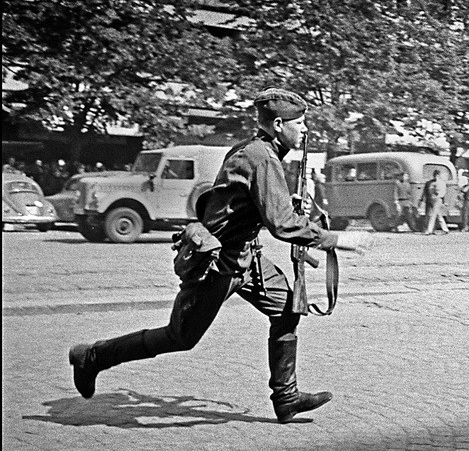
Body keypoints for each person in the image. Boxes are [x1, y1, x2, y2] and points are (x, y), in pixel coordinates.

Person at [67, 88, 372, 424]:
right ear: (279, 123)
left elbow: (244, 203)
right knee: (180, 337)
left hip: (248, 259)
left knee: (287, 310)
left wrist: (282, 204)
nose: (304, 130)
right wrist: (337, 239)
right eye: (299, 123)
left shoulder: (252, 150)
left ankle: (286, 398)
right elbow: (282, 225)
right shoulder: (263, 158)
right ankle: (93, 356)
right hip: (217, 264)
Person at [420, 169, 449, 235]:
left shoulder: (441, 183)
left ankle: (429, 230)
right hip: (431, 199)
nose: (436, 177)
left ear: (439, 175)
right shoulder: (430, 183)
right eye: (435, 175)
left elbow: (442, 193)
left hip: (437, 199)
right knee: (438, 215)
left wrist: (443, 201)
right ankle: (445, 229)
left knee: (433, 215)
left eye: (437, 175)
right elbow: (426, 191)